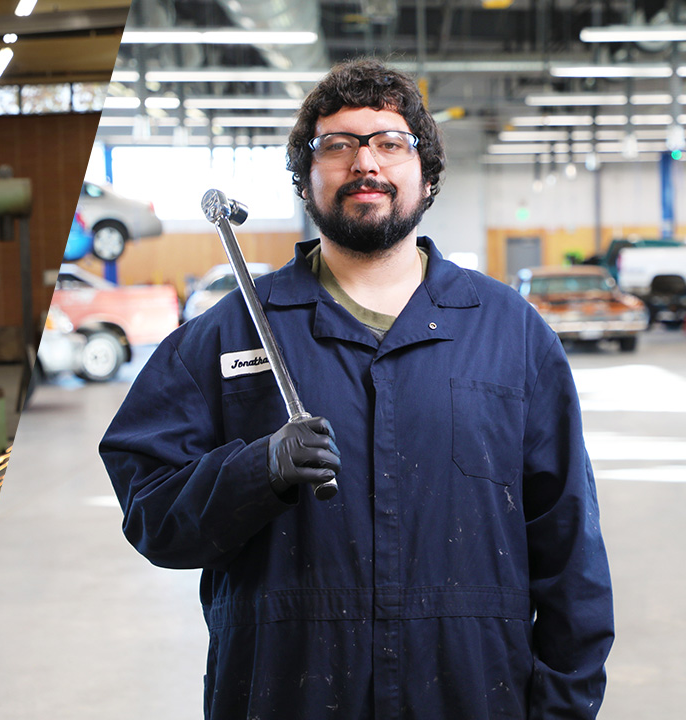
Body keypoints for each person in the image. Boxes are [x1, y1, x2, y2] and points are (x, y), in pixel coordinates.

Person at [99, 59, 614, 719]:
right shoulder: (230, 333)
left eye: (389, 144)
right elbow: (151, 513)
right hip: (288, 697)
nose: (363, 163)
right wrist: (257, 470)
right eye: (337, 145)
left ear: (425, 177)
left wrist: (564, 709)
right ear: (305, 180)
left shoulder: (511, 333)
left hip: (470, 694)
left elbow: (569, 544)